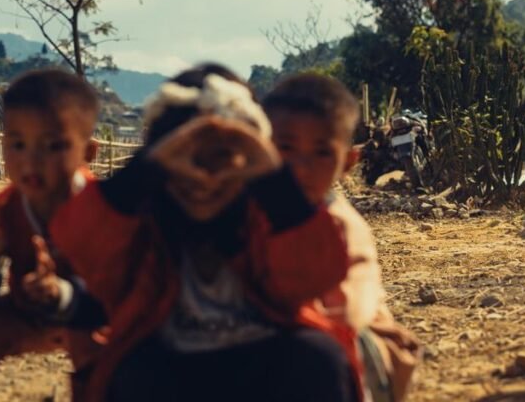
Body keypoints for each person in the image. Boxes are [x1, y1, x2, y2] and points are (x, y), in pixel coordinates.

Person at [49, 64, 361, 402]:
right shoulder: (144, 225)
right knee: (134, 373)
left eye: (222, 158)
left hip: (261, 358)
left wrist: (275, 179)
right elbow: (82, 248)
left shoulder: (264, 218)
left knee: (319, 358)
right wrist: (142, 172)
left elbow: (313, 276)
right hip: (169, 365)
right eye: (187, 159)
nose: (204, 177)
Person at [0, 69, 108, 402]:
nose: (31, 162)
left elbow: (118, 296)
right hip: (27, 314)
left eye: (53, 146)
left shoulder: (104, 209)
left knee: (102, 350)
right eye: (18, 144)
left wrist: (62, 294)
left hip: (93, 317)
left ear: (88, 152)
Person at [263, 73, 420, 402]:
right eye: (286, 147)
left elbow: (347, 313)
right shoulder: (252, 210)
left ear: (347, 163)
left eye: (322, 152)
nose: (301, 167)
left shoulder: (343, 226)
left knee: (315, 355)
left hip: (347, 346)